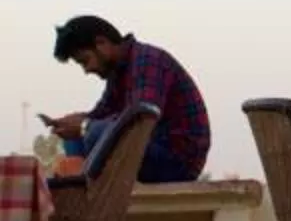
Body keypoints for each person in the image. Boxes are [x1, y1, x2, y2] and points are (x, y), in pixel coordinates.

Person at [48, 15, 211, 184]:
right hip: (148, 149)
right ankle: (78, 188)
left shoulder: (148, 61)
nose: (87, 70)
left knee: (93, 131)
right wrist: (73, 123)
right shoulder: (118, 73)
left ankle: (83, 187)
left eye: (85, 61)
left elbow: (139, 124)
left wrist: (85, 126)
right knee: (76, 135)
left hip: (175, 160)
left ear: (101, 43)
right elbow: (100, 114)